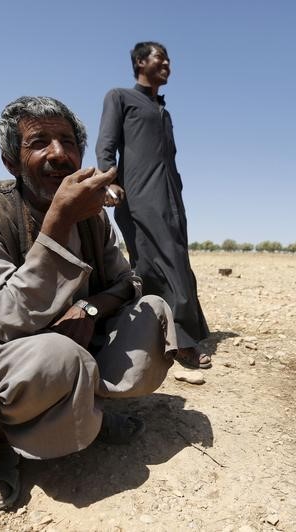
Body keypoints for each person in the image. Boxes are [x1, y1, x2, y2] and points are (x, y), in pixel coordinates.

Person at [0, 96, 177, 514]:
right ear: (10, 161)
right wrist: (57, 223)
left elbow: (129, 283)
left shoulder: (93, 216)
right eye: (39, 142)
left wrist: (89, 309)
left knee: (153, 315)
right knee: (58, 355)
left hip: (75, 346)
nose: (58, 153)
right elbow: (7, 317)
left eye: (68, 141)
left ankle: (88, 411)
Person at [96, 41, 211, 370]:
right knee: (154, 261)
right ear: (139, 62)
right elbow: (107, 143)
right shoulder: (119, 97)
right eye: (161, 58)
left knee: (176, 258)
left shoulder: (163, 111)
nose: (168, 65)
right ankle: (181, 340)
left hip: (170, 195)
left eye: (169, 60)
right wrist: (108, 181)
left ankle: (160, 329)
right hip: (139, 194)